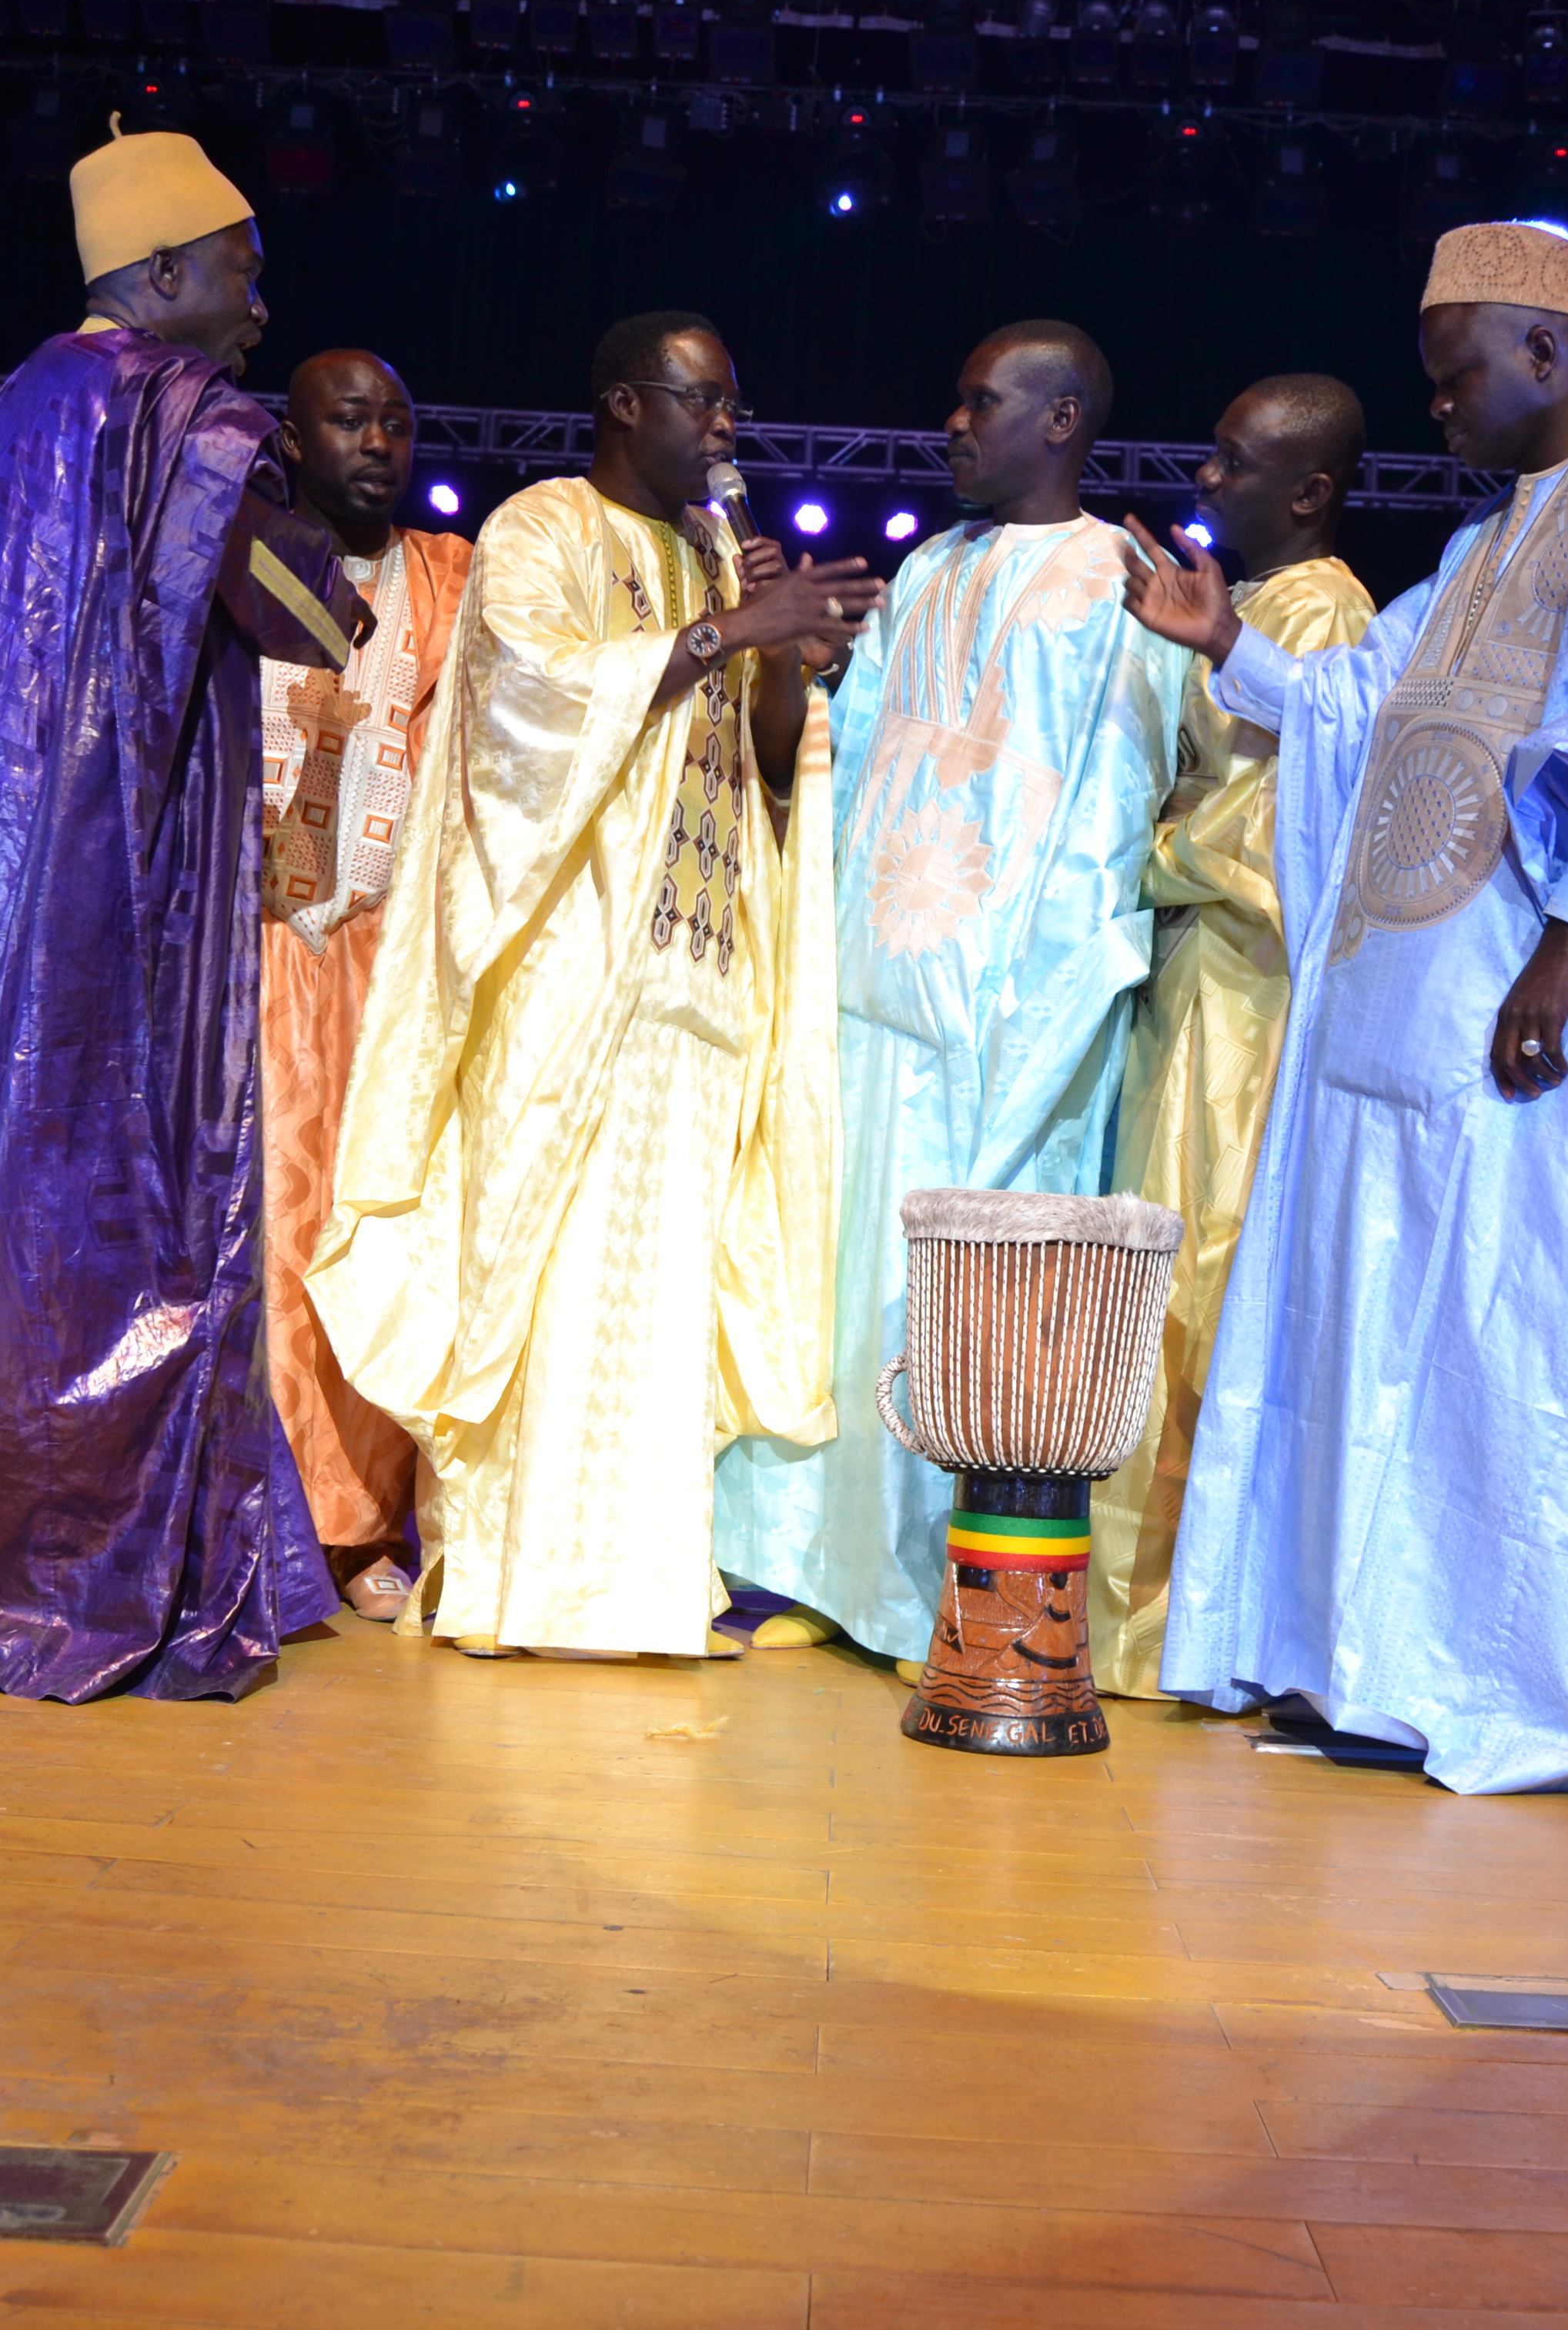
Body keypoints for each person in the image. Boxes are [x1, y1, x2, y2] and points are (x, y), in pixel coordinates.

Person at [1121, 221, 1568, 1793]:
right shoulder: (1484, 541)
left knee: (1523, 1343)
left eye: (1454, 375)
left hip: (1531, 1014)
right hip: (1403, 1019)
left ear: (1545, 350)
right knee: (1399, 1339)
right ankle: (1393, 1661)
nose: (1436, 409)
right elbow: (1369, 704)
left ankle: (1539, 1674)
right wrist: (1230, 645)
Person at [0, 124, 368, 1701]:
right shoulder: (177, 413)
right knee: (121, 1209)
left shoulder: (19, 409)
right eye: (246, 266)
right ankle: (75, 1549)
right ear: (169, 272)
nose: (262, 299)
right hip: (109, 905)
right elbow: (316, 615)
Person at [310, 313, 881, 1660]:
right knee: (544, 1278)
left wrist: (786, 655)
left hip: (694, 979)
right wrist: (729, 626)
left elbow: (762, 759)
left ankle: (644, 1589)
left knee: (662, 1295)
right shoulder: (537, 531)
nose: (729, 429)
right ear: (628, 404)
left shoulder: (705, 553)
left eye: (735, 406)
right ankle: (513, 1583)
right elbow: (525, 712)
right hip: (564, 979)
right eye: (707, 402)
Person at [712, 322, 1199, 1670]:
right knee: (845, 1290)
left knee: (965, 1319)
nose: (952, 423)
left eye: (981, 402)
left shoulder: (1115, 580)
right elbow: (848, 759)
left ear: (1060, 420)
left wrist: (1045, 1026)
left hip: (1008, 1027)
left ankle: (950, 1597)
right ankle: (812, 1566)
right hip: (872, 1005)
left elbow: (1106, 822)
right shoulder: (929, 565)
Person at [1088, 375, 1377, 1699]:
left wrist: (1132, 850)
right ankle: (1132, 1615)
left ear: (1312, 490)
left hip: (1249, 1006)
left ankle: (1174, 1626)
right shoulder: (1254, 604)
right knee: (1154, 1286)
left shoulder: (1326, 611)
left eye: (1236, 461)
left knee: (1201, 1289)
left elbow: (1288, 836)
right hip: (1194, 987)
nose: (1206, 481)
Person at [256, 350, 473, 1623]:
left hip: (397, 959)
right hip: (261, 946)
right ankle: (268, 1514)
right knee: (269, 1240)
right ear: (293, 440)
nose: (378, 442)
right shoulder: (251, 563)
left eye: (396, 419)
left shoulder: (447, 577)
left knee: (378, 1233)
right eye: (348, 421)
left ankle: (360, 1524)